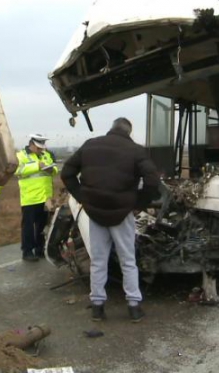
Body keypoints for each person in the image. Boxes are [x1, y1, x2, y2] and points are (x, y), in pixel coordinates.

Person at [61, 118, 159, 322]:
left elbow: (67, 173)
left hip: (95, 213)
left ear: (111, 128)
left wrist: (83, 198)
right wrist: (138, 204)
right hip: (122, 214)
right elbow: (153, 181)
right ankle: (133, 307)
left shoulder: (90, 145)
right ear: (128, 132)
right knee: (128, 261)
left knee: (98, 261)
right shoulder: (135, 150)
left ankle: (97, 307)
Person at [15, 133, 57, 261]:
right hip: (30, 198)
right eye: (38, 148)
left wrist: (51, 170)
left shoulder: (47, 154)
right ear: (31, 144)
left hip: (46, 197)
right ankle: (27, 251)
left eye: (42, 148)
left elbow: (55, 169)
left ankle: (40, 249)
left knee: (43, 226)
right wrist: (36, 166)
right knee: (28, 226)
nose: (41, 150)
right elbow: (17, 171)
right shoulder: (20, 155)